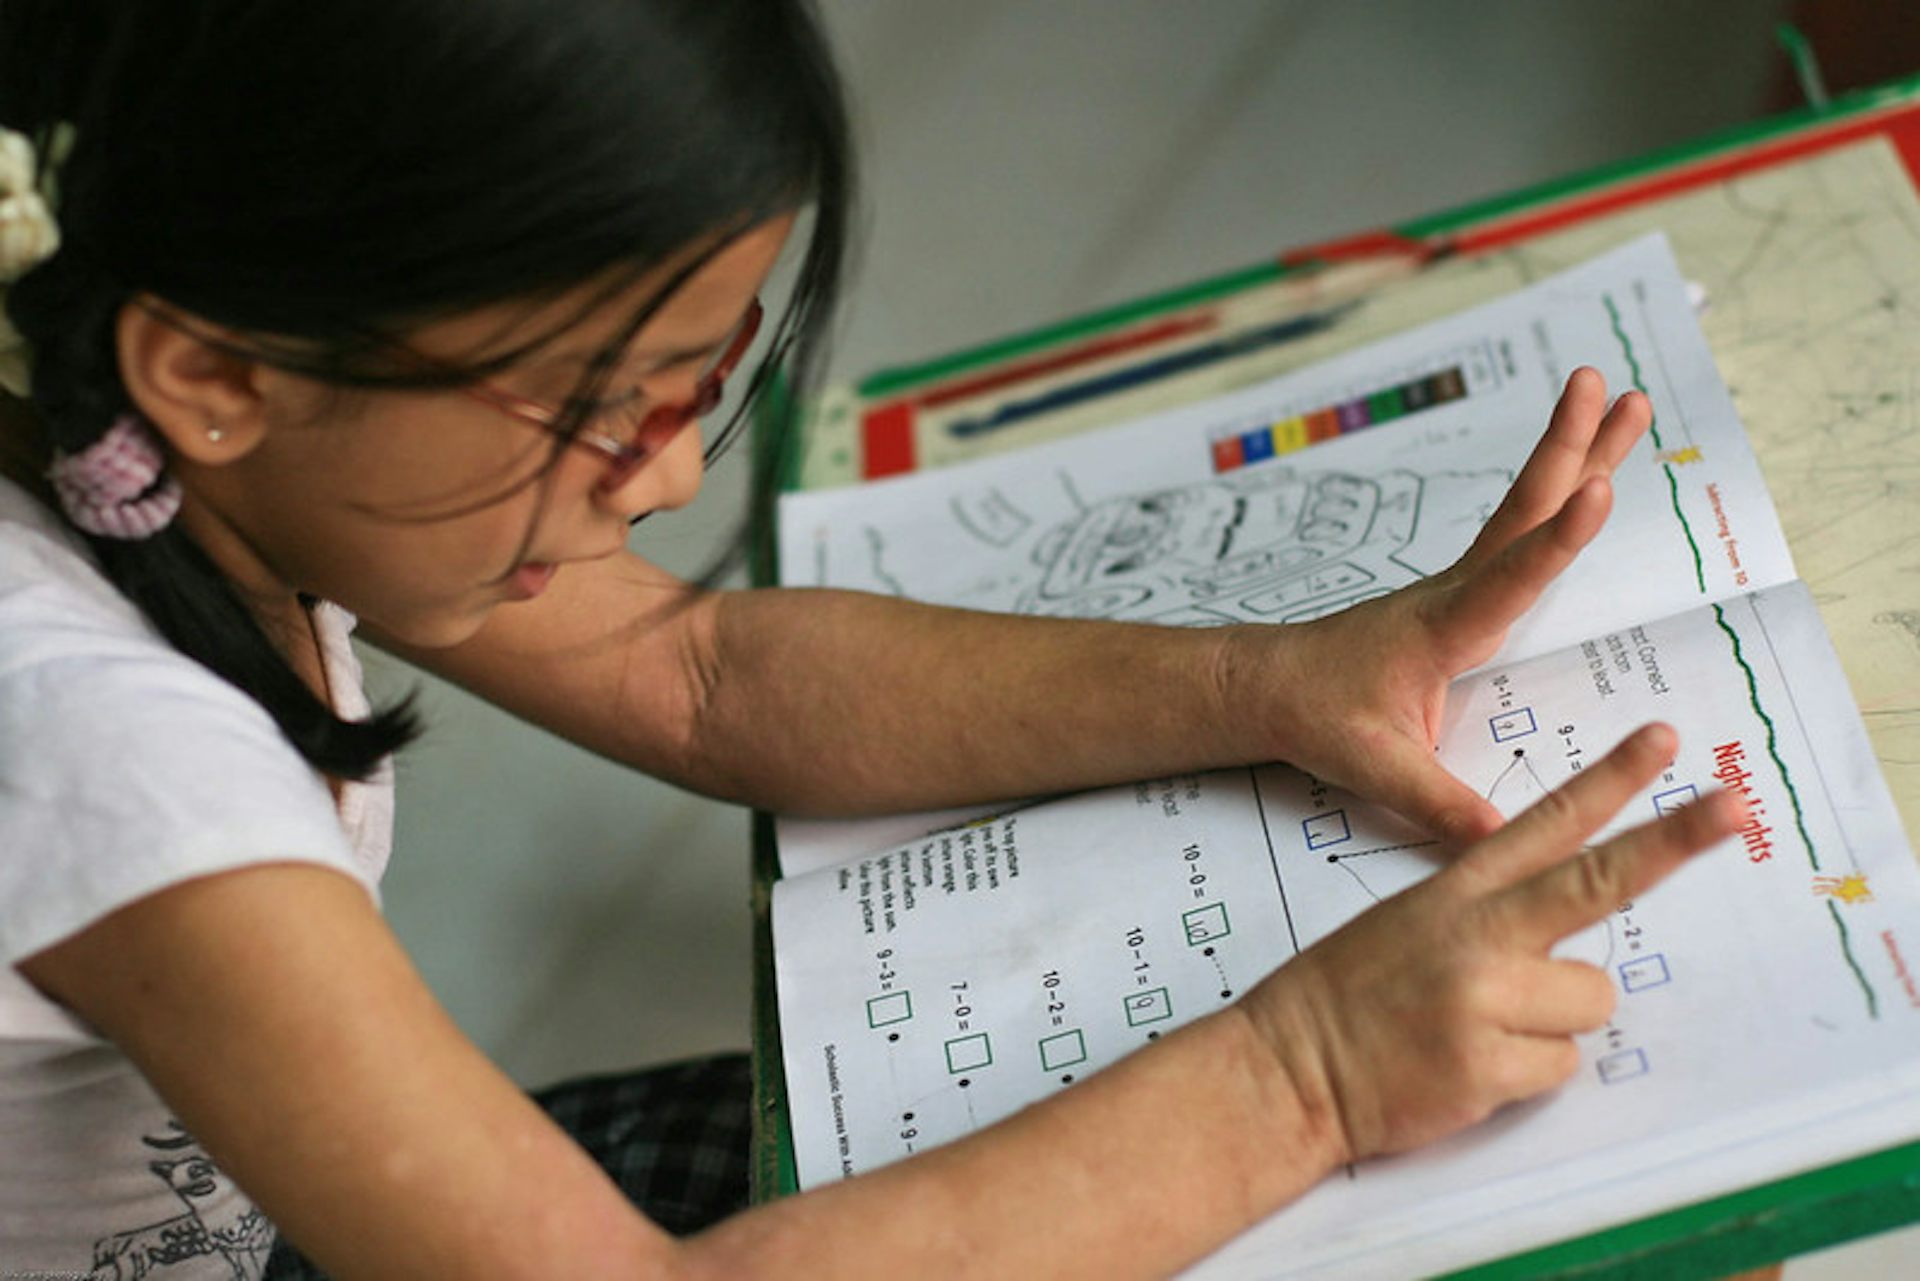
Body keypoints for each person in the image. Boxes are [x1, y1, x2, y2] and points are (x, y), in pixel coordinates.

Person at [0, 3, 1746, 1278]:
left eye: (697, 376)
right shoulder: (104, 755)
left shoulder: (197, 428)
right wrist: (1308, 1075)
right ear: (217, 378)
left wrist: (1265, 682)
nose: (674, 471)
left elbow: (702, 673)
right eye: (603, 404)